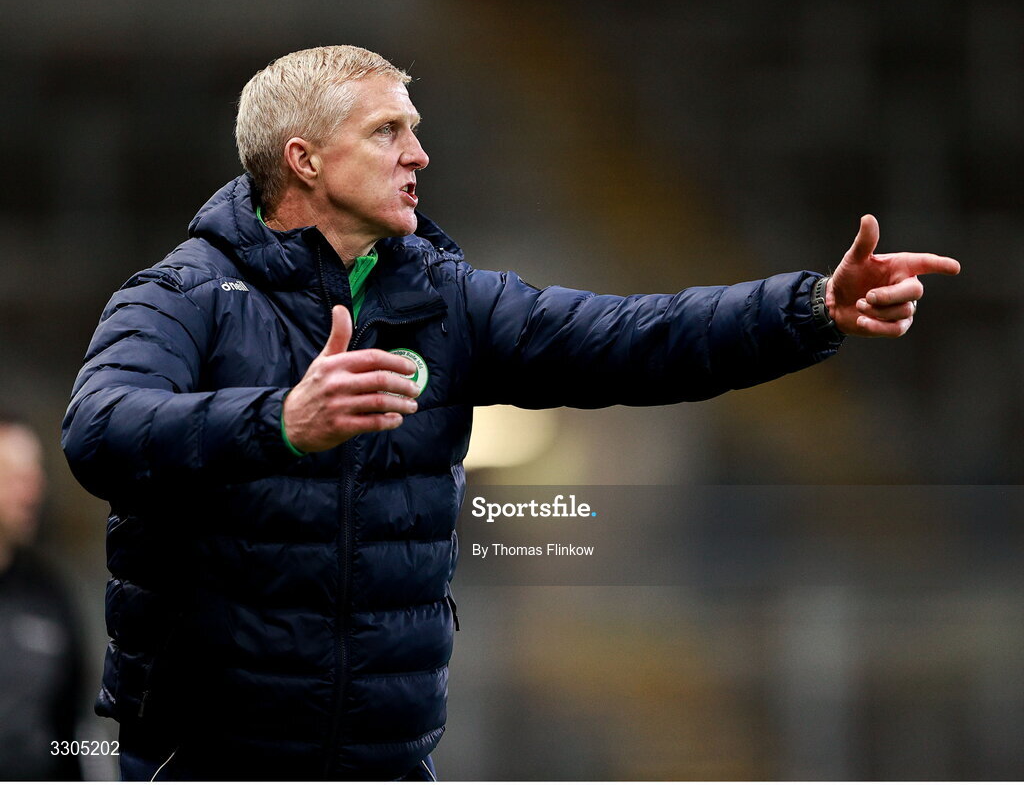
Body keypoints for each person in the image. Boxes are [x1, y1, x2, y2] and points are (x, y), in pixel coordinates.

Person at [61, 45, 960, 781]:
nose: (419, 155)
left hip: (387, 762)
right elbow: (99, 430)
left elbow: (634, 337)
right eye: (388, 131)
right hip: (208, 763)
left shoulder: (445, 300)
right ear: (303, 159)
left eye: (415, 131)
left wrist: (809, 309)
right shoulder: (184, 295)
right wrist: (279, 420)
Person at [0, 415, 85, 780]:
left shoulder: (49, 594)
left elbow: (74, 731)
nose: (33, 492)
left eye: (35, 477)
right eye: (15, 478)